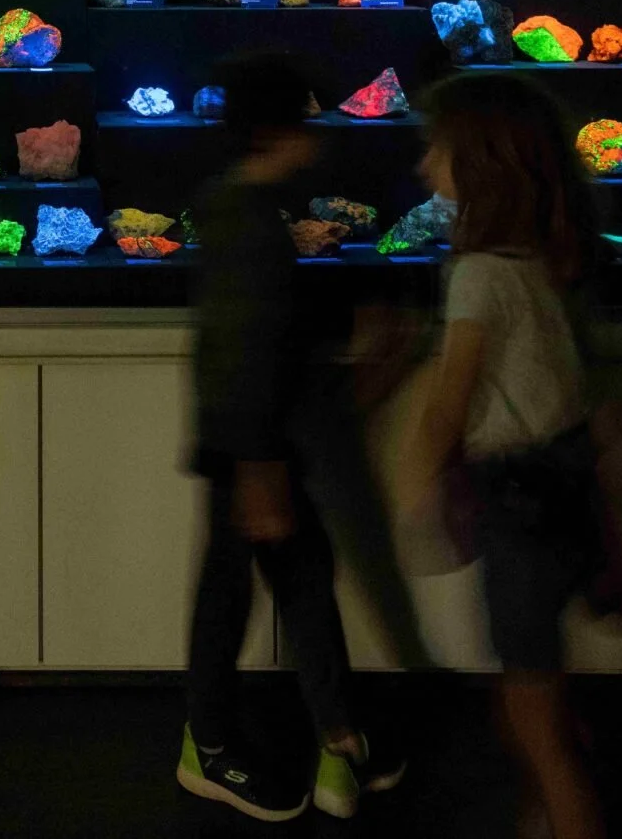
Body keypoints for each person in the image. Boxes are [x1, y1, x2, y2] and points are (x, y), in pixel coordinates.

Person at [177, 52, 404, 823]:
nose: (317, 129)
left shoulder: (241, 208)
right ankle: (229, 746)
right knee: (243, 591)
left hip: (250, 441)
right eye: (305, 114)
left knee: (270, 585)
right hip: (253, 447)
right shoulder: (249, 221)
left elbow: (256, 331)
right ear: (279, 126)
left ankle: (331, 742)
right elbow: (244, 344)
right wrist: (258, 465)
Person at [407, 72, 605, 839]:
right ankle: (541, 818)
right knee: (530, 694)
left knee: (540, 724)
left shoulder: (480, 274)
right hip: (560, 496)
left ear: (482, 163)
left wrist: (417, 483)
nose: (425, 165)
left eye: (438, 149)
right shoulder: (535, 260)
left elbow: (450, 401)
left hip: (518, 508)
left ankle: (561, 815)